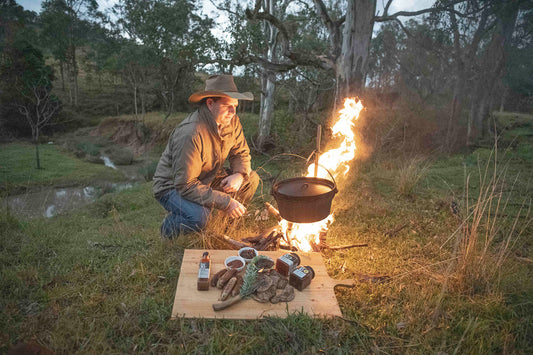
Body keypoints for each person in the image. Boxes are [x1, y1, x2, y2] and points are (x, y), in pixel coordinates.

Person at [153, 74, 260, 238]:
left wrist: (239, 174)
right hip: (172, 186)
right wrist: (226, 202)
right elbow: (185, 185)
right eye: (228, 106)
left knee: (250, 179)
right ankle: (169, 229)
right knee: (200, 217)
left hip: (206, 178)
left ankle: (225, 227)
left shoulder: (231, 121)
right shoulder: (191, 133)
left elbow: (241, 152)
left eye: (235, 106)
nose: (233, 111)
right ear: (210, 103)